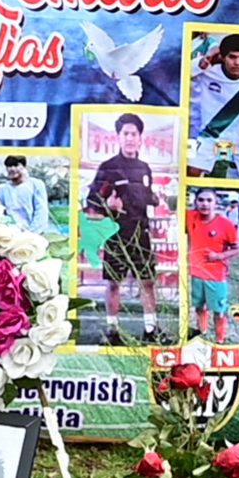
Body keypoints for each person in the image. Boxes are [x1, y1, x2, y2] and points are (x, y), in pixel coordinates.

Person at [85, 113, 166, 345]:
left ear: (140, 138)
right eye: (126, 134)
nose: (130, 138)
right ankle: (112, 330)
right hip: (116, 235)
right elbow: (91, 203)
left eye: (134, 134)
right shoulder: (108, 168)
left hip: (141, 234)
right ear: (119, 137)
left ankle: (151, 329)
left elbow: (146, 197)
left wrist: (155, 199)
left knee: (148, 282)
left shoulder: (144, 168)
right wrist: (107, 205)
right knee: (113, 283)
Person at [188, 33, 239, 178]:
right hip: (209, 137)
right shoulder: (208, 73)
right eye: (232, 57)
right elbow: (184, 70)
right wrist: (209, 56)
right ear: (223, 57)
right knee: (191, 172)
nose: (237, 63)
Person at [186, 190, 239, 345]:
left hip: (215, 276)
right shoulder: (190, 217)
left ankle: (220, 340)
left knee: (219, 312)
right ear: (195, 202)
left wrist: (219, 256)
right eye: (201, 200)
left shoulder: (225, 224)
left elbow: (237, 248)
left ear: (216, 203)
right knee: (199, 307)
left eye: (209, 200)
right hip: (196, 273)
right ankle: (202, 332)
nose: (205, 204)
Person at [0, 154, 57, 234]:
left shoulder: (36, 184)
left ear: (24, 167)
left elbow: (41, 212)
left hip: (34, 233)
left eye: (16, 165)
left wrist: (31, 233)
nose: (12, 169)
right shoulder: (2, 189)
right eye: (9, 166)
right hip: (10, 234)